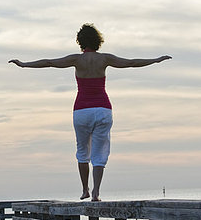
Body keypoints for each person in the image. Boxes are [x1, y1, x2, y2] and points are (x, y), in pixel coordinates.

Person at [9, 23, 171, 201]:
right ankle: (96, 192)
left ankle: (85, 189)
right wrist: (155, 60)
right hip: (102, 109)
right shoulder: (104, 59)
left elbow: (49, 63)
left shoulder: (76, 60)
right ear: (98, 40)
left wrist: (24, 64)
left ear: (80, 41)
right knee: (100, 152)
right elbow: (131, 63)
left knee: (82, 151)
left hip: (81, 111)